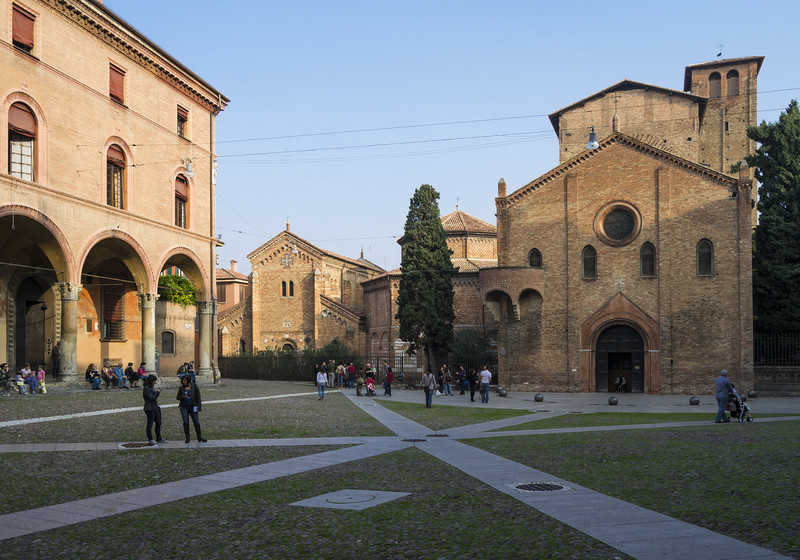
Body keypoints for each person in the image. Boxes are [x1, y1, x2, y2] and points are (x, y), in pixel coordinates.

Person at [176, 374, 207, 443]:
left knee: (196, 421)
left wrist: (199, 407)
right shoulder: (181, 388)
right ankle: (187, 437)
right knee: (186, 422)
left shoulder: (194, 386)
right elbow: (177, 397)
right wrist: (182, 397)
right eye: (183, 380)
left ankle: (199, 437)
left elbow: (198, 397)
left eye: (185, 380)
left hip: (193, 406)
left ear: (188, 381)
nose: (183, 382)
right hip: (184, 407)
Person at [142, 374, 167, 445]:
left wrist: (156, 393)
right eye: (154, 381)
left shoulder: (152, 388)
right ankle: (150, 439)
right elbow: (151, 398)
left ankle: (159, 437)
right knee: (150, 424)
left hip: (155, 408)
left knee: (158, 422)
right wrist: (157, 393)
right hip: (150, 409)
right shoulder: (146, 389)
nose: (155, 382)